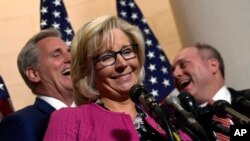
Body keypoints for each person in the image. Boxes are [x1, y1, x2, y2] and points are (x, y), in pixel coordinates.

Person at [43, 15, 191, 141]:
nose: (122, 63)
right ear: (87, 70)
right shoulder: (69, 120)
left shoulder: (167, 116)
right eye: (106, 57)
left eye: (127, 51)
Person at [0, 28, 75, 141]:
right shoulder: (20, 124)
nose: (70, 58)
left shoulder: (97, 111)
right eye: (57, 54)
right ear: (34, 74)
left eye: (70, 51)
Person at [171, 43, 248, 140]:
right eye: (173, 70)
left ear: (213, 65)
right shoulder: (176, 127)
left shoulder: (246, 100)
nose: (175, 74)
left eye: (183, 65)